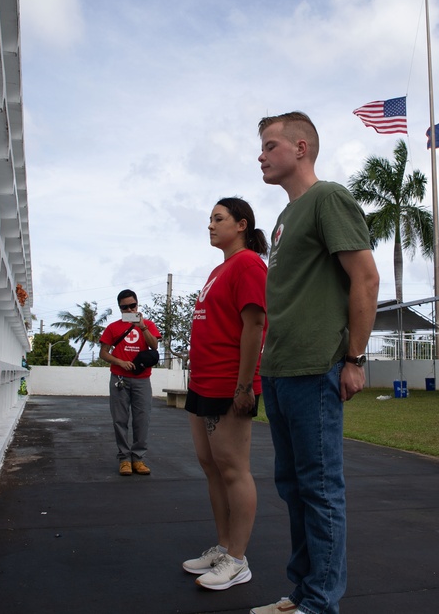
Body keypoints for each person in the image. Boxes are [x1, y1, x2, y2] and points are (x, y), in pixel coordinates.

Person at [251, 112, 380, 614]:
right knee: (295, 489)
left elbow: (365, 280)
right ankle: (302, 593)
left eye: (269, 145)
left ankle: (321, 603)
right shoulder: (285, 217)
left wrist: (353, 358)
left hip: (316, 367)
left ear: (301, 148)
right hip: (280, 370)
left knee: (321, 490)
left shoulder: (328, 198)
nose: (260, 155)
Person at [182, 197, 269, 590]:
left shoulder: (249, 263)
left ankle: (238, 558)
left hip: (228, 385)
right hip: (201, 383)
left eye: (218, 219)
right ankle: (222, 547)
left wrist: (245, 385)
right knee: (209, 465)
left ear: (241, 225)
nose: (211, 226)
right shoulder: (220, 268)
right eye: (209, 220)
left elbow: (255, 326)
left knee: (234, 469)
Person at [99, 289, 161, 476]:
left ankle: (138, 458)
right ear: (119, 308)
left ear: (137, 304)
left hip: (142, 380)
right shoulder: (112, 328)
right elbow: (104, 353)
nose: (129, 310)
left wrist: (142, 327)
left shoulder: (148, 324)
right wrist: (120, 362)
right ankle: (124, 459)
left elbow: (155, 346)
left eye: (132, 305)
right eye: (124, 307)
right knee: (120, 419)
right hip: (119, 378)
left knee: (142, 419)